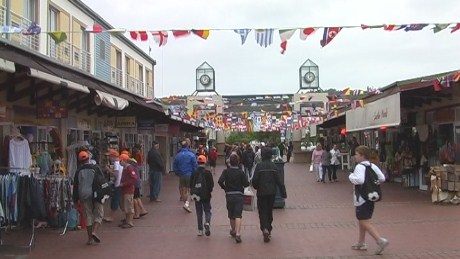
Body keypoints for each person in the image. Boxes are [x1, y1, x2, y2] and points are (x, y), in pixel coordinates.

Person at [349, 145, 388, 255]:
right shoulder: (372, 166)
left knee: (363, 220)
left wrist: (351, 177)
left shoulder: (359, 167)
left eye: (356, 154)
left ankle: (380, 240)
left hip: (361, 197)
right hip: (371, 196)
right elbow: (382, 178)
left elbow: (359, 180)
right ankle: (361, 242)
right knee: (363, 219)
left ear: (362, 155)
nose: (355, 156)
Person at [252, 147, 287, 243]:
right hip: (272, 192)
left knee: (262, 211)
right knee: (269, 210)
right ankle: (268, 228)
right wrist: (283, 193)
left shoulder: (259, 166)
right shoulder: (274, 166)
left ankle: (265, 228)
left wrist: (256, 187)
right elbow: (279, 181)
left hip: (261, 192)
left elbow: (254, 180)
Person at [73, 151, 104, 245]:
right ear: (88, 158)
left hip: (83, 195)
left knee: (88, 216)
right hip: (96, 194)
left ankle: (90, 238)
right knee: (99, 214)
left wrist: (75, 199)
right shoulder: (96, 168)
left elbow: (75, 186)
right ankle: (94, 231)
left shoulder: (78, 171)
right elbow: (102, 181)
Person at [218, 153, 250, 243]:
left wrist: (225, 188)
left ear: (230, 163)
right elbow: (246, 183)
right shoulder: (241, 172)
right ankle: (238, 233)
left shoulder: (226, 172)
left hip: (229, 195)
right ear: (238, 162)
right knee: (238, 215)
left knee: (231, 214)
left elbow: (220, 181)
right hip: (239, 195)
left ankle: (233, 230)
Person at [190, 155, 214, 236]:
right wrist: (209, 191)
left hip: (197, 195)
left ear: (197, 162)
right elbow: (211, 185)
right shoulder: (208, 173)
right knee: (207, 210)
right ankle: (207, 222)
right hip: (206, 195)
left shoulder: (194, 172)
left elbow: (191, 184)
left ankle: (200, 230)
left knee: (199, 212)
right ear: (205, 162)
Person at [173, 139, 198, 213]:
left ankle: (185, 204)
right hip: (189, 174)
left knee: (183, 191)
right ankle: (187, 204)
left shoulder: (178, 155)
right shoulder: (191, 155)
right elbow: (195, 165)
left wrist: (178, 173)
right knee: (191, 190)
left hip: (182, 175)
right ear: (188, 146)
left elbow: (175, 166)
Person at [118, 154, 138, 229]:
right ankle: (127, 220)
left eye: (120, 161)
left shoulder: (129, 168)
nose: (119, 163)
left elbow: (134, 178)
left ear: (124, 160)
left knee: (129, 206)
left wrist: (124, 184)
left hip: (128, 190)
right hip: (124, 189)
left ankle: (130, 222)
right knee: (125, 206)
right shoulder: (125, 168)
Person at [103, 149, 122, 222]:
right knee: (119, 200)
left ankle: (111, 216)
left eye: (110, 156)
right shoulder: (119, 162)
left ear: (113, 156)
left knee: (115, 200)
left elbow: (116, 174)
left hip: (118, 185)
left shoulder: (116, 163)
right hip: (118, 183)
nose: (109, 158)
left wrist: (108, 169)